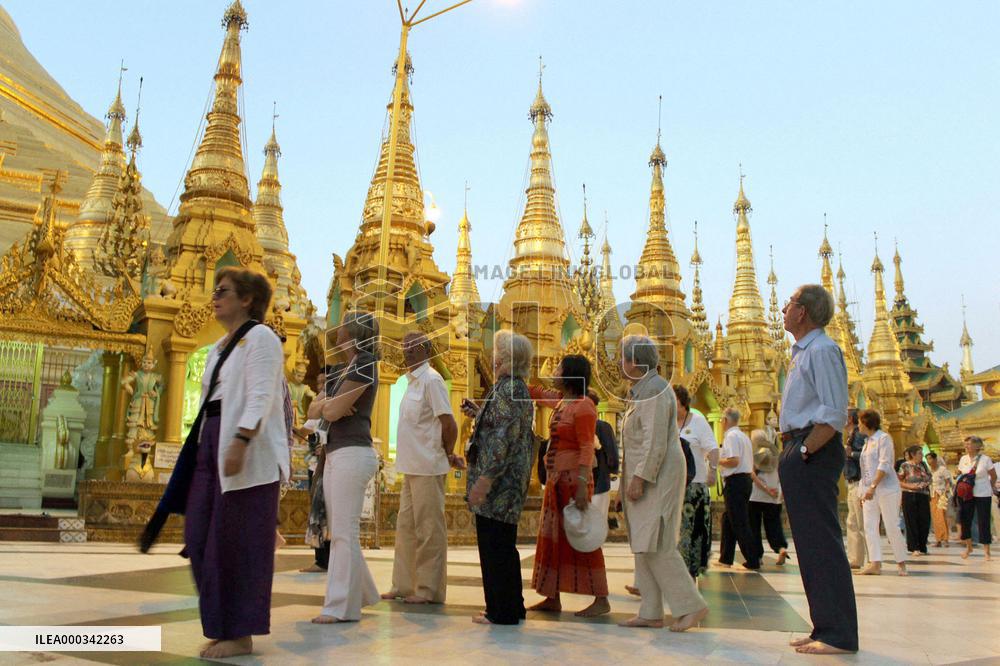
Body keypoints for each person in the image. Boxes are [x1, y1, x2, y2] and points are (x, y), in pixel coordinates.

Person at [184, 267, 288, 659]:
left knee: (239, 545)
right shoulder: (217, 348)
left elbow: (262, 394)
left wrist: (241, 439)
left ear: (247, 300)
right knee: (199, 539)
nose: (215, 296)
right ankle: (220, 623)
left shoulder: (261, 337)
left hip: (246, 449)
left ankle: (240, 633)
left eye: (223, 291)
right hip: (210, 440)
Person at [778, 284, 857, 655]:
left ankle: (839, 633)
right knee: (809, 545)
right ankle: (824, 625)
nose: (783, 308)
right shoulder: (802, 353)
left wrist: (805, 450)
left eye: (789, 303)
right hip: (799, 445)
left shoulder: (823, 351)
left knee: (822, 543)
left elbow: (835, 412)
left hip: (812, 448)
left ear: (803, 312)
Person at [618, 335, 708, 631]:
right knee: (643, 542)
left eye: (623, 357)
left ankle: (691, 606)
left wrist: (640, 478)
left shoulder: (655, 389)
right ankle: (651, 611)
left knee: (657, 541)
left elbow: (654, 440)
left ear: (634, 361)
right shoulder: (641, 390)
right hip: (648, 471)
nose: (620, 363)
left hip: (658, 474)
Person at [308, 311, 381, 624]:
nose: (334, 332)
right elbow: (314, 408)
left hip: (353, 452)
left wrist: (330, 406)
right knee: (340, 530)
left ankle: (340, 607)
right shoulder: (342, 368)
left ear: (351, 334)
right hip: (337, 452)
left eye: (341, 327)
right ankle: (363, 593)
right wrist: (329, 405)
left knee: (342, 532)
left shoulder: (364, 363)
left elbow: (333, 410)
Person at [461, 330, 536, 625]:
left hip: (499, 484)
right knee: (503, 545)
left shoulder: (508, 390)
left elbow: (503, 439)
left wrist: (485, 480)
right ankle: (512, 606)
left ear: (507, 359)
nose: (493, 357)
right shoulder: (513, 388)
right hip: (509, 480)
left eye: (498, 352)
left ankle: (500, 610)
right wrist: (480, 413)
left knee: (494, 546)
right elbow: (502, 426)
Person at [381, 332, 460, 605]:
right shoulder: (411, 383)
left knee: (429, 531)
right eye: (404, 347)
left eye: (414, 347)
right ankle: (403, 585)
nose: (408, 352)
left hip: (428, 466)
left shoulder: (432, 381)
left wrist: (447, 453)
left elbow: (449, 423)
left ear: (426, 350)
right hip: (410, 467)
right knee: (405, 529)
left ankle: (428, 590)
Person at [528, 354, 610, 617]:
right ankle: (552, 596)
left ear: (570, 374)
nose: (554, 371)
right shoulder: (564, 402)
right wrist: (516, 376)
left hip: (574, 480)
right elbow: (537, 393)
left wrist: (584, 482)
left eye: (558, 368)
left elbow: (587, 446)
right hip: (556, 480)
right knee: (554, 539)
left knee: (582, 538)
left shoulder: (584, 406)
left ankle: (601, 598)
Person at [674, 384, 718, 580]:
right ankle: (676, 573)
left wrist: (713, 471)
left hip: (695, 484)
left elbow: (713, 449)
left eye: (673, 400)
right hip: (673, 485)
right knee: (676, 530)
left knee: (693, 531)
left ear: (683, 403)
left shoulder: (698, 422)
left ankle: (689, 572)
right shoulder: (667, 423)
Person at [856, 409, 908, 576]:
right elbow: (865, 469)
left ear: (866, 423)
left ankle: (901, 563)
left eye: (859, 422)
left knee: (891, 525)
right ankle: (875, 563)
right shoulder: (867, 442)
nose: (858, 425)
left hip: (887, 489)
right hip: (869, 491)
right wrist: (862, 491)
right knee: (869, 526)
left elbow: (884, 464)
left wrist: (873, 486)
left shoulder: (883, 438)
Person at [301, 367, 338, 573]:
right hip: (314, 466)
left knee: (326, 512)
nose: (320, 387)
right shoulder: (317, 409)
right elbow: (303, 429)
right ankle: (321, 558)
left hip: (329, 466)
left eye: (325, 382)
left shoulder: (334, 407)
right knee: (317, 512)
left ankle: (327, 560)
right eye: (318, 383)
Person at [717, 408, 760, 570]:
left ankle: (752, 558)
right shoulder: (743, 437)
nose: (721, 423)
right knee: (729, 519)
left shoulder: (731, 436)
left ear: (726, 421)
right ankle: (725, 557)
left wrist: (717, 460)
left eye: (722, 420)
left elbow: (734, 461)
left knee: (739, 521)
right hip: (744, 480)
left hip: (736, 481)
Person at [748, 432, 789, 566]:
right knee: (774, 525)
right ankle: (781, 548)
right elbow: (783, 476)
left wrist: (765, 489)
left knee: (754, 527)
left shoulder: (754, 456)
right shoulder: (776, 455)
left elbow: (752, 475)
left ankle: (757, 555)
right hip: (774, 496)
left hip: (756, 496)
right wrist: (780, 493)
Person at [957, 435, 996, 561]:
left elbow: (993, 476)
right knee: (965, 519)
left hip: (983, 493)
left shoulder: (986, 459)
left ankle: (987, 551)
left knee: (983, 521)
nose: (966, 446)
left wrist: (991, 487)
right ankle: (968, 547)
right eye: (966, 444)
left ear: (977, 446)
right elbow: (960, 474)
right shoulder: (963, 459)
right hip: (966, 493)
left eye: (969, 444)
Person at [589, 390, 619, 529]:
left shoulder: (601, 427)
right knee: (596, 527)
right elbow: (612, 458)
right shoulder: (603, 427)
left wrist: (599, 448)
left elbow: (611, 458)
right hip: (598, 482)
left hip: (595, 482)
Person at [842, 408, 868, 569]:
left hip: (859, 482)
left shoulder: (858, 435)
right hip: (851, 482)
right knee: (852, 522)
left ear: (850, 419)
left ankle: (872, 560)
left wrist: (851, 454)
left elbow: (867, 456)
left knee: (862, 523)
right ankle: (855, 559)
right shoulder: (851, 435)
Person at [899, 445, 932, 556]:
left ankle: (922, 545)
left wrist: (923, 484)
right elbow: (899, 481)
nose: (921, 455)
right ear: (913, 455)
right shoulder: (905, 465)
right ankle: (914, 547)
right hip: (909, 494)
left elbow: (929, 478)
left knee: (924, 520)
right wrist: (910, 486)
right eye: (919, 453)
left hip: (923, 494)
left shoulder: (923, 465)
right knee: (911, 520)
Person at [926, 451, 952, 547]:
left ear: (935, 459)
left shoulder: (942, 470)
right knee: (935, 517)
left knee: (941, 515)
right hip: (932, 494)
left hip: (942, 494)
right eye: (928, 459)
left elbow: (948, 482)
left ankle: (945, 538)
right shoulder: (928, 471)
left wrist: (945, 492)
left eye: (930, 459)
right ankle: (938, 539)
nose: (929, 461)